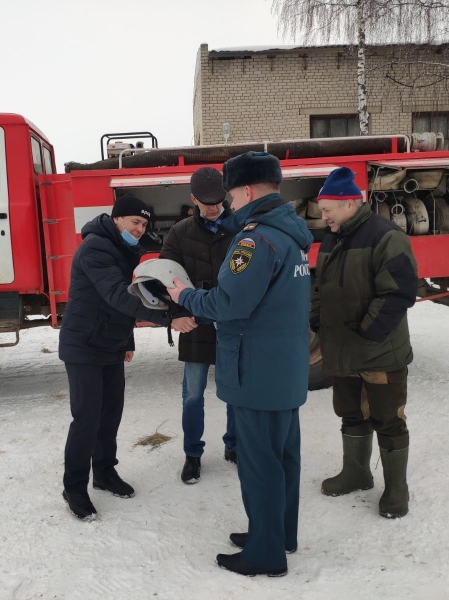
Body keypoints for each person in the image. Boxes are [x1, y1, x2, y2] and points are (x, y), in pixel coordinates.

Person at [167, 152, 313, 577]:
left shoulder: (255, 241)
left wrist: (184, 296)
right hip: (283, 368)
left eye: (231, 194)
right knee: (283, 457)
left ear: (246, 191)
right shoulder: (286, 232)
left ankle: (265, 554)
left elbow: (229, 302)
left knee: (259, 463)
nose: (228, 203)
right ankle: (278, 534)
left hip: (256, 370)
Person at [59, 193, 194, 521]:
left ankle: (104, 473)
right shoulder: (95, 248)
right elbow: (117, 295)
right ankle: (74, 487)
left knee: (110, 416)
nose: (139, 229)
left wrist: (127, 339)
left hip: (109, 344)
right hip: (84, 346)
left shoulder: (122, 249)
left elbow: (127, 296)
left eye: (144, 224)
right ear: (116, 218)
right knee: (87, 418)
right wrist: (168, 319)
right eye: (135, 222)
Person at [310, 166, 417, 519]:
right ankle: (357, 473)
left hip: (379, 352)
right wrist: (316, 318)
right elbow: (318, 286)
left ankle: (396, 489)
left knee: (388, 419)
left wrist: (368, 331)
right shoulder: (332, 239)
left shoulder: (386, 237)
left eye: (327, 210)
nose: (323, 216)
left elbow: (399, 292)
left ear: (349, 204)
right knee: (351, 414)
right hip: (342, 352)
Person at [159, 166, 237, 485]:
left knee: (235, 391)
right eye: (206, 201)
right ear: (193, 199)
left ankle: (235, 446)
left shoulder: (241, 227)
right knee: (193, 393)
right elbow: (165, 277)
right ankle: (193, 455)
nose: (213, 206)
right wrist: (175, 314)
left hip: (233, 321)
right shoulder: (179, 232)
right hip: (194, 321)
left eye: (218, 199)